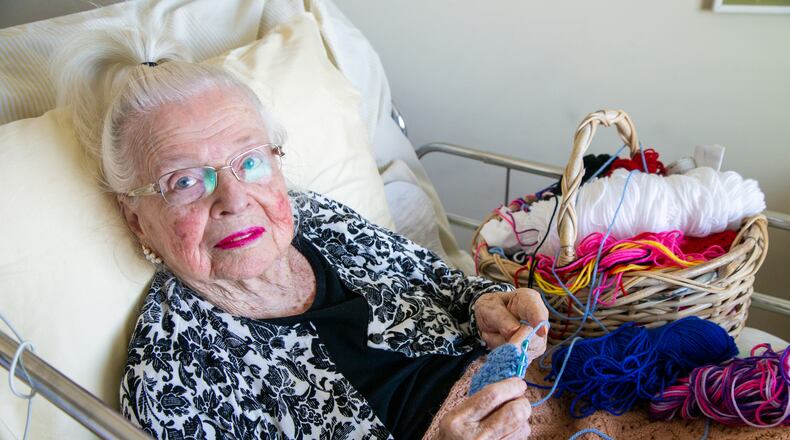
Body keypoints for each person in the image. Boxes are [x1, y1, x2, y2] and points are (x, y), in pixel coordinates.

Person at [53, 24, 548, 440]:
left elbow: (449, 288)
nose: (234, 199)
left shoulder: (316, 218)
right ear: (137, 219)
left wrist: (488, 305)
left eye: (249, 161)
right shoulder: (170, 374)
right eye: (184, 181)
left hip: (540, 394)